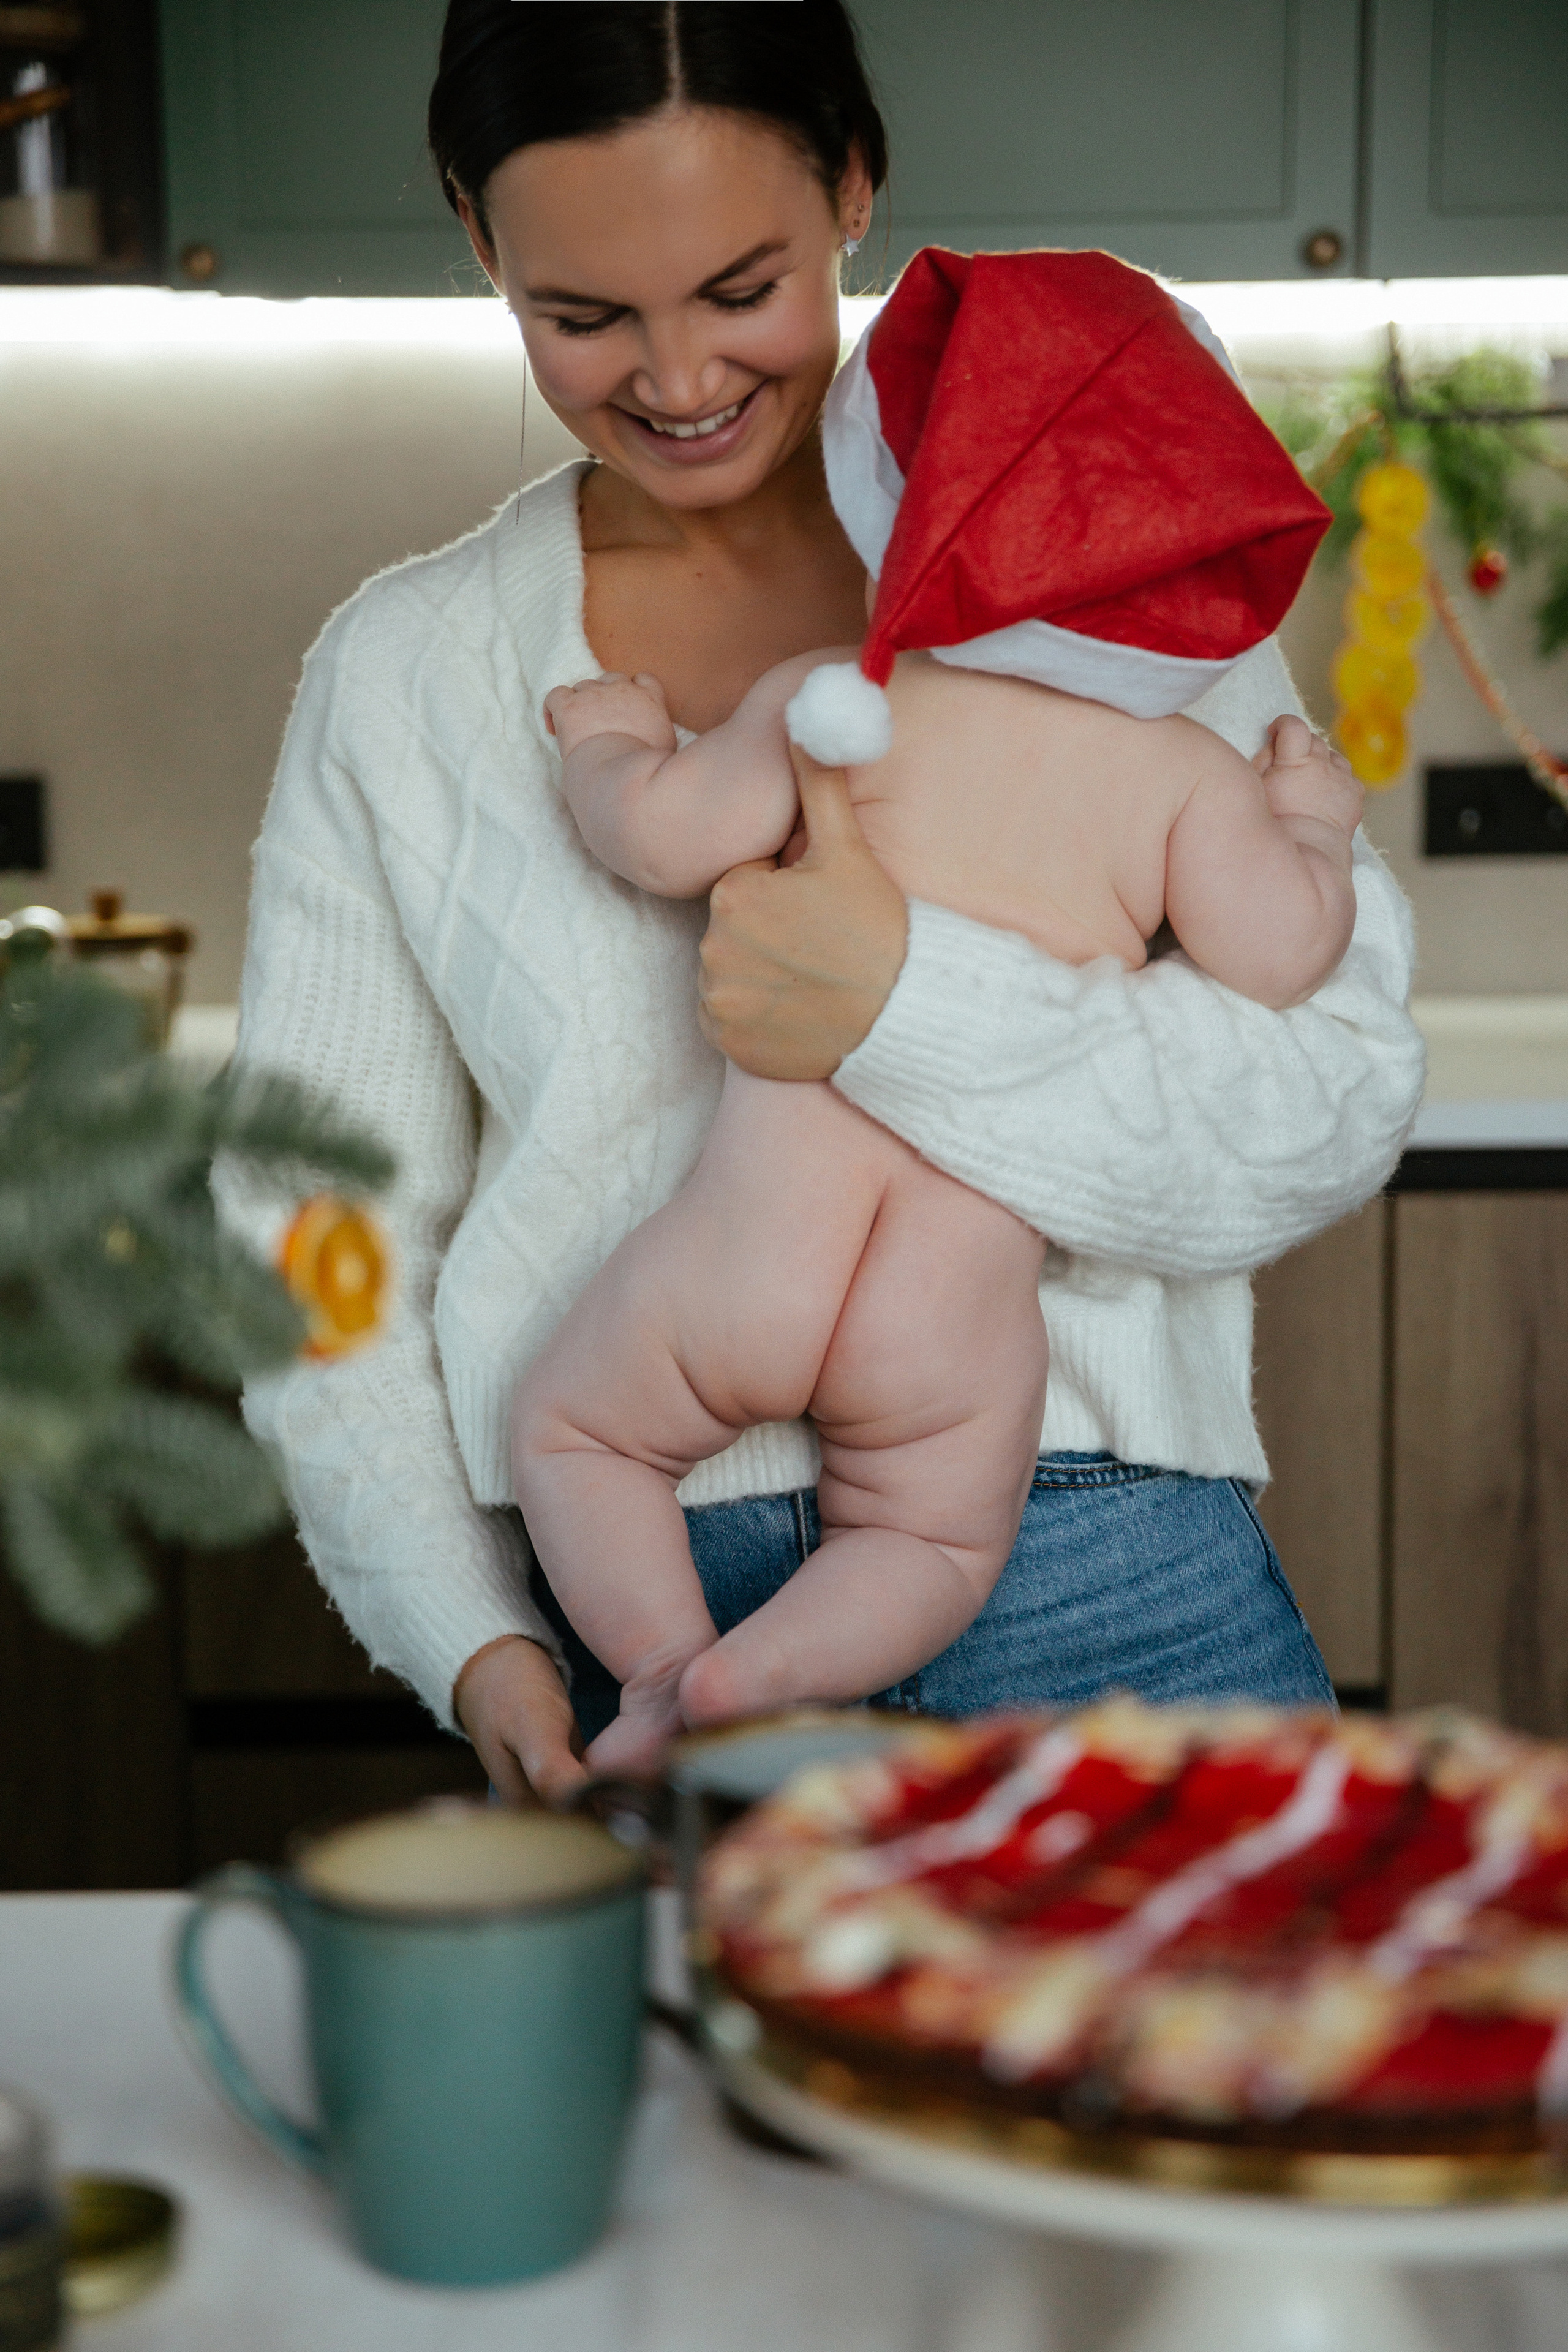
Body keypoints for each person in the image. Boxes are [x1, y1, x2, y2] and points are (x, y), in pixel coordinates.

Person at [216, 0, 1425, 1810]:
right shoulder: (404, 677)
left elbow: (1333, 1100)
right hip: (649, 1600)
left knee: (1264, 1999)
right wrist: (461, 1629)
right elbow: (317, 1226)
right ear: (477, 237)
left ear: (855, 187)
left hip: (1101, 1561)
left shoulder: (1113, 585)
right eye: (581, 315)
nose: (676, 377)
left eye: (739, 288)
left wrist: (899, 1002)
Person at [518, 244, 1357, 1773]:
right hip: (953, 1302)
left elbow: (656, 837)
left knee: (576, 1433)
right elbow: (1283, 955)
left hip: (750, 1248)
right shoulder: (1182, 777)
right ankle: (750, 1682)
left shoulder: (833, 694)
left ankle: (656, 1677)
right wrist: (1306, 823)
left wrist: (610, 739)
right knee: (927, 1543)